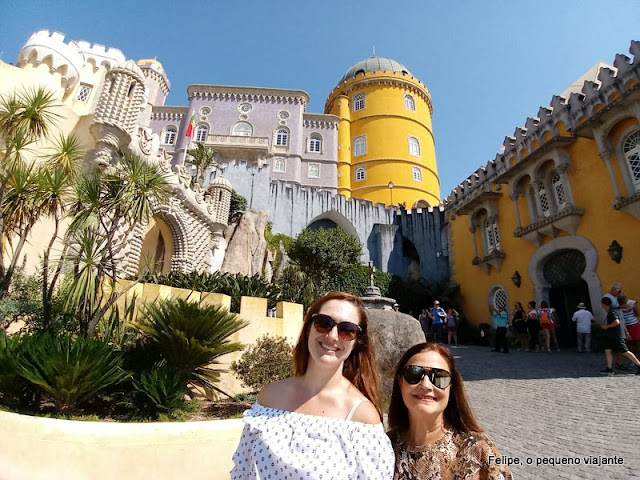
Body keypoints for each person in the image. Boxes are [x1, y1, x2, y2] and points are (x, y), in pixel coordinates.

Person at [231, 291, 394, 479]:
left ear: (357, 341)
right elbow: (242, 472)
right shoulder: (269, 396)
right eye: (324, 323)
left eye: (347, 329)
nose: (333, 336)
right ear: (309, 328)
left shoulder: (361, 417)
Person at [387, 342, 513, 480]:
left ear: (451, 387)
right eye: (414, 374)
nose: (426, 385)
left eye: (439, 377)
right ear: (400, 382)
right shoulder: (385, 448)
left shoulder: (479, 450)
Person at [598, 296, 640, 376]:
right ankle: (609, 368)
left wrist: (607, 326)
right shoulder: (614, 310)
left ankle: (639, 364)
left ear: (603, 304)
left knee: (625, 351)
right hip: (610, 335)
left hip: (616, 335)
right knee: (607, 350)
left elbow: (617, 322)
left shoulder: (612, 312)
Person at [615, 295, 640, 368]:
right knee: (637, 344)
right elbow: (637, 314)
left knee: (630, 345)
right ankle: (637, 360)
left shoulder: (618, 309)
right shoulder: (632, 307)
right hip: (635, 325)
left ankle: (633, 361)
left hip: (627, 327)